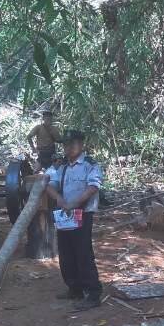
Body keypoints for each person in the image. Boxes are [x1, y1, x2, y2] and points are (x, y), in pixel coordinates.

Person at [44, 129, 105, 308]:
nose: (68, 147)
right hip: (65, 216)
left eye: (72, 143)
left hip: (83, 214)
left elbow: (93, 187)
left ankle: (93, 294)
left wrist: (74, 204)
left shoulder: (90, 164)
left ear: (81, 144)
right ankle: (74, 288)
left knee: (83, 253)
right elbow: (48, 184)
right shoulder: (61, 166)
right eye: (65, 144)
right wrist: (59, 198)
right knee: (66, 253)